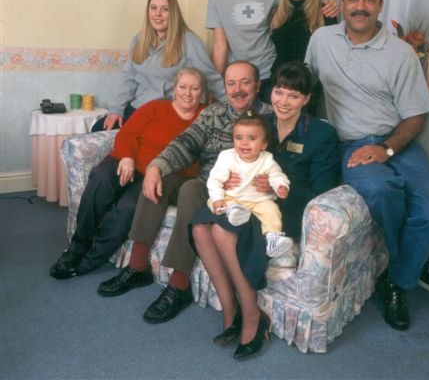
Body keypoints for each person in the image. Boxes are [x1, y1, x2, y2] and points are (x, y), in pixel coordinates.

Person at [304, 0, 429, 331]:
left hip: (396, 140)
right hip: (350, 143)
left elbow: (415, 115)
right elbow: (304, 89)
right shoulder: (321, 40)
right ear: (343, 3)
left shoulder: (401, 53)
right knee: (383, 191)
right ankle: (406, 275)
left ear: (380, 5)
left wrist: (385, 149)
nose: (360, 7)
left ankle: (400, 271)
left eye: (369, 0)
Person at [96, 61, 272, 326]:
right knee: (162, 177)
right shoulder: (214, 113)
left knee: (190, 188)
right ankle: (137, 267)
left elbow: (277, 164)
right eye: (231, 83)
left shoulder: (269, 118)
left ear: (257, 85)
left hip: (234, 195)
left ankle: (179, 286)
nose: (237, 89)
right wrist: (156, 166)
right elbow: (186, 143)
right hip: (207, 184)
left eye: (245, 82)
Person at [191, 61, 339, 360]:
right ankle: (229, 308)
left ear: (307, 99)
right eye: (280, 93)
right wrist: (234, 177)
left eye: (294, 96)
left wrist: (275, 190)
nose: (284, 102)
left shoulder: (321, 135)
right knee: (199, 227)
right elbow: (233, 157)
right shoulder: (260, 124)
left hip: (282, 211)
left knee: (221, 230)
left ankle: (252, 316)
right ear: (271, 92)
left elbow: (322, 192)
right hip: (243, 203)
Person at [49, 68, 207, 279]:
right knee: (101, 178)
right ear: (174, 90)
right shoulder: (155, 108)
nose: (188, 93)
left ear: (202, 92)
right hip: (127, 161)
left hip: (160, 175)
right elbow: (128, 133)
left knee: (128, 207)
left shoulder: (206, 117)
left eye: (194, 88)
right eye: (183, 87)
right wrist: (126, 157)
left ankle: (93, 258)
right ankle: (78, 247)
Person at [92, 0, 225, 131]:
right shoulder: (138, 40)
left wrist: (236, 109)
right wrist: (115, 110)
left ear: (173, 14)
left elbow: (211, 79)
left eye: (165, 9)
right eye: (153, 8)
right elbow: (128, 78)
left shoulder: (191, 42)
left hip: (165, 112)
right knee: (98, 129)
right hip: (138, 108)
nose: (157, 14)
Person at [207, 114, 292, 258]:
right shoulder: (227, 156)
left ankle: (272, 239)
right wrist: (217, 198)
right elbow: (215, 180)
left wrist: (281, 186)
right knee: (213, 201)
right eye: (239, 138)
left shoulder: (267, 159)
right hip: (233, 198)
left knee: (272, 210)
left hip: (259, 200)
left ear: (264, 145)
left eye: (252, 138)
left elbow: (277, 176)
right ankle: (232, 212)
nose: (244, 143)